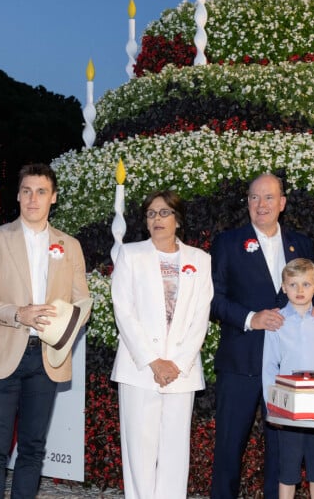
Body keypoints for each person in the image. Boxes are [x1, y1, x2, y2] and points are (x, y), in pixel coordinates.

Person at [0, 163, 90, 499]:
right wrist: (17, 314)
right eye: (26, 191)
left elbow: (84, 301)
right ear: (17, 196)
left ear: (54, 198)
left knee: (34, 449)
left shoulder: (70, 245)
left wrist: (62, 327)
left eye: (40, 191)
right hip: (2, 354)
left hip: (46, 359)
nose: (32, 198)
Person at [210, 173, 314, 499]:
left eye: (268, 198)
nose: (261, 204)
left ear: (282, 203)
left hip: (288, 370)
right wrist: (252, 318)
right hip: (241, 361)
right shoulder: (227, 243)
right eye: (254, 197)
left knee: (283, 454)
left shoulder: (301, 244)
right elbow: (214, 300)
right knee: (228, 450)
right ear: (247, 203)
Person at [110, 190, 213, 499]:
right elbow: (124, 312)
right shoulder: (130, 255)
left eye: (164, 212)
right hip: (139, 368)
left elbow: (200, 316)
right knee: (139, 453)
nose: (157, 219)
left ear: (177, 219)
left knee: (174, 451)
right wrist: (154, 361)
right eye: (151, 213)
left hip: (181, 372)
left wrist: (176, 363)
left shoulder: (200, 259)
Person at [263, 258, 314, 499]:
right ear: (283, 286)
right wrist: (273, 407)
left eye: (306, 284)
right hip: (290, 408)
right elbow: (269, 367)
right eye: (293, 285)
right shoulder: (277, 322)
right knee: (287, 469)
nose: (300, 291)